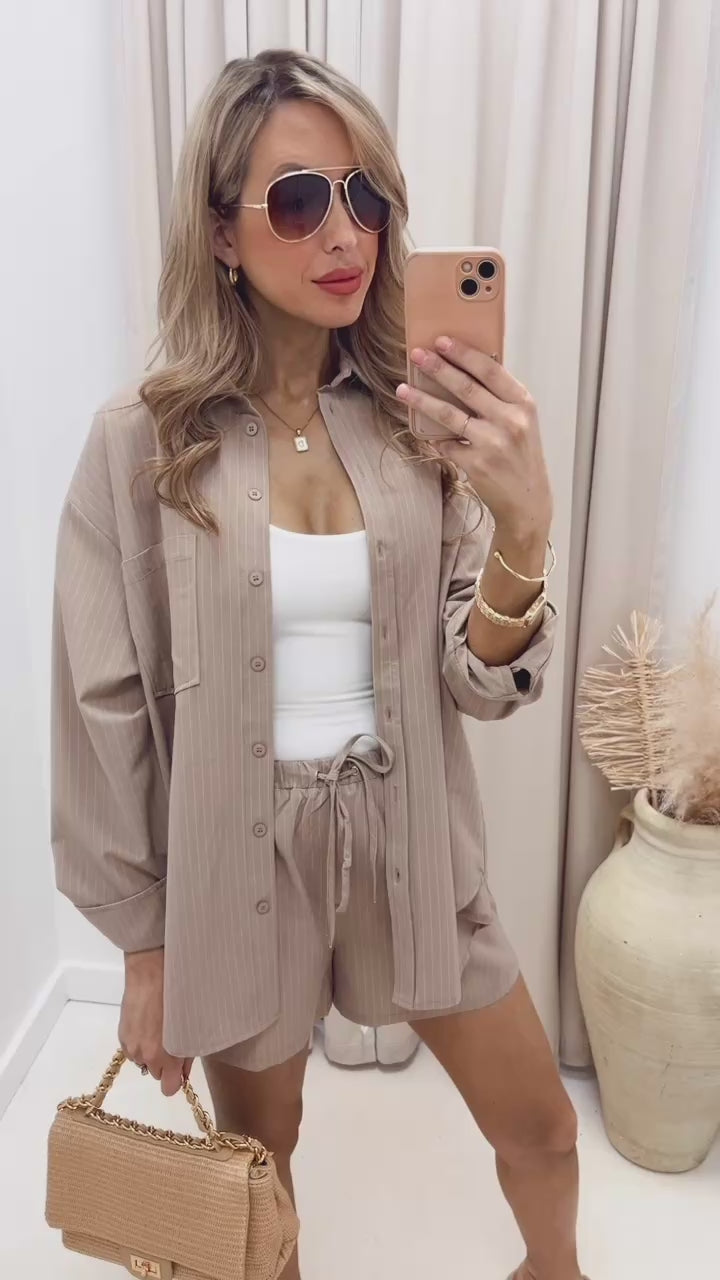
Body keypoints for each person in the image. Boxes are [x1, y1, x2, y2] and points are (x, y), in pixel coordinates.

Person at [50, 49, 587, 1280]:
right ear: (222, 234)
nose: (344, 233)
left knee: (546, 1129)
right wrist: (144, 945)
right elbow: (102, 704)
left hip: (414, 833)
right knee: (261, 1165)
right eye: (298, 201)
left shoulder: (418, 423)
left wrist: (524, 528)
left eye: (365, 196)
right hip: (241, 854)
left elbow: (475, 677)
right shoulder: (142, 445)